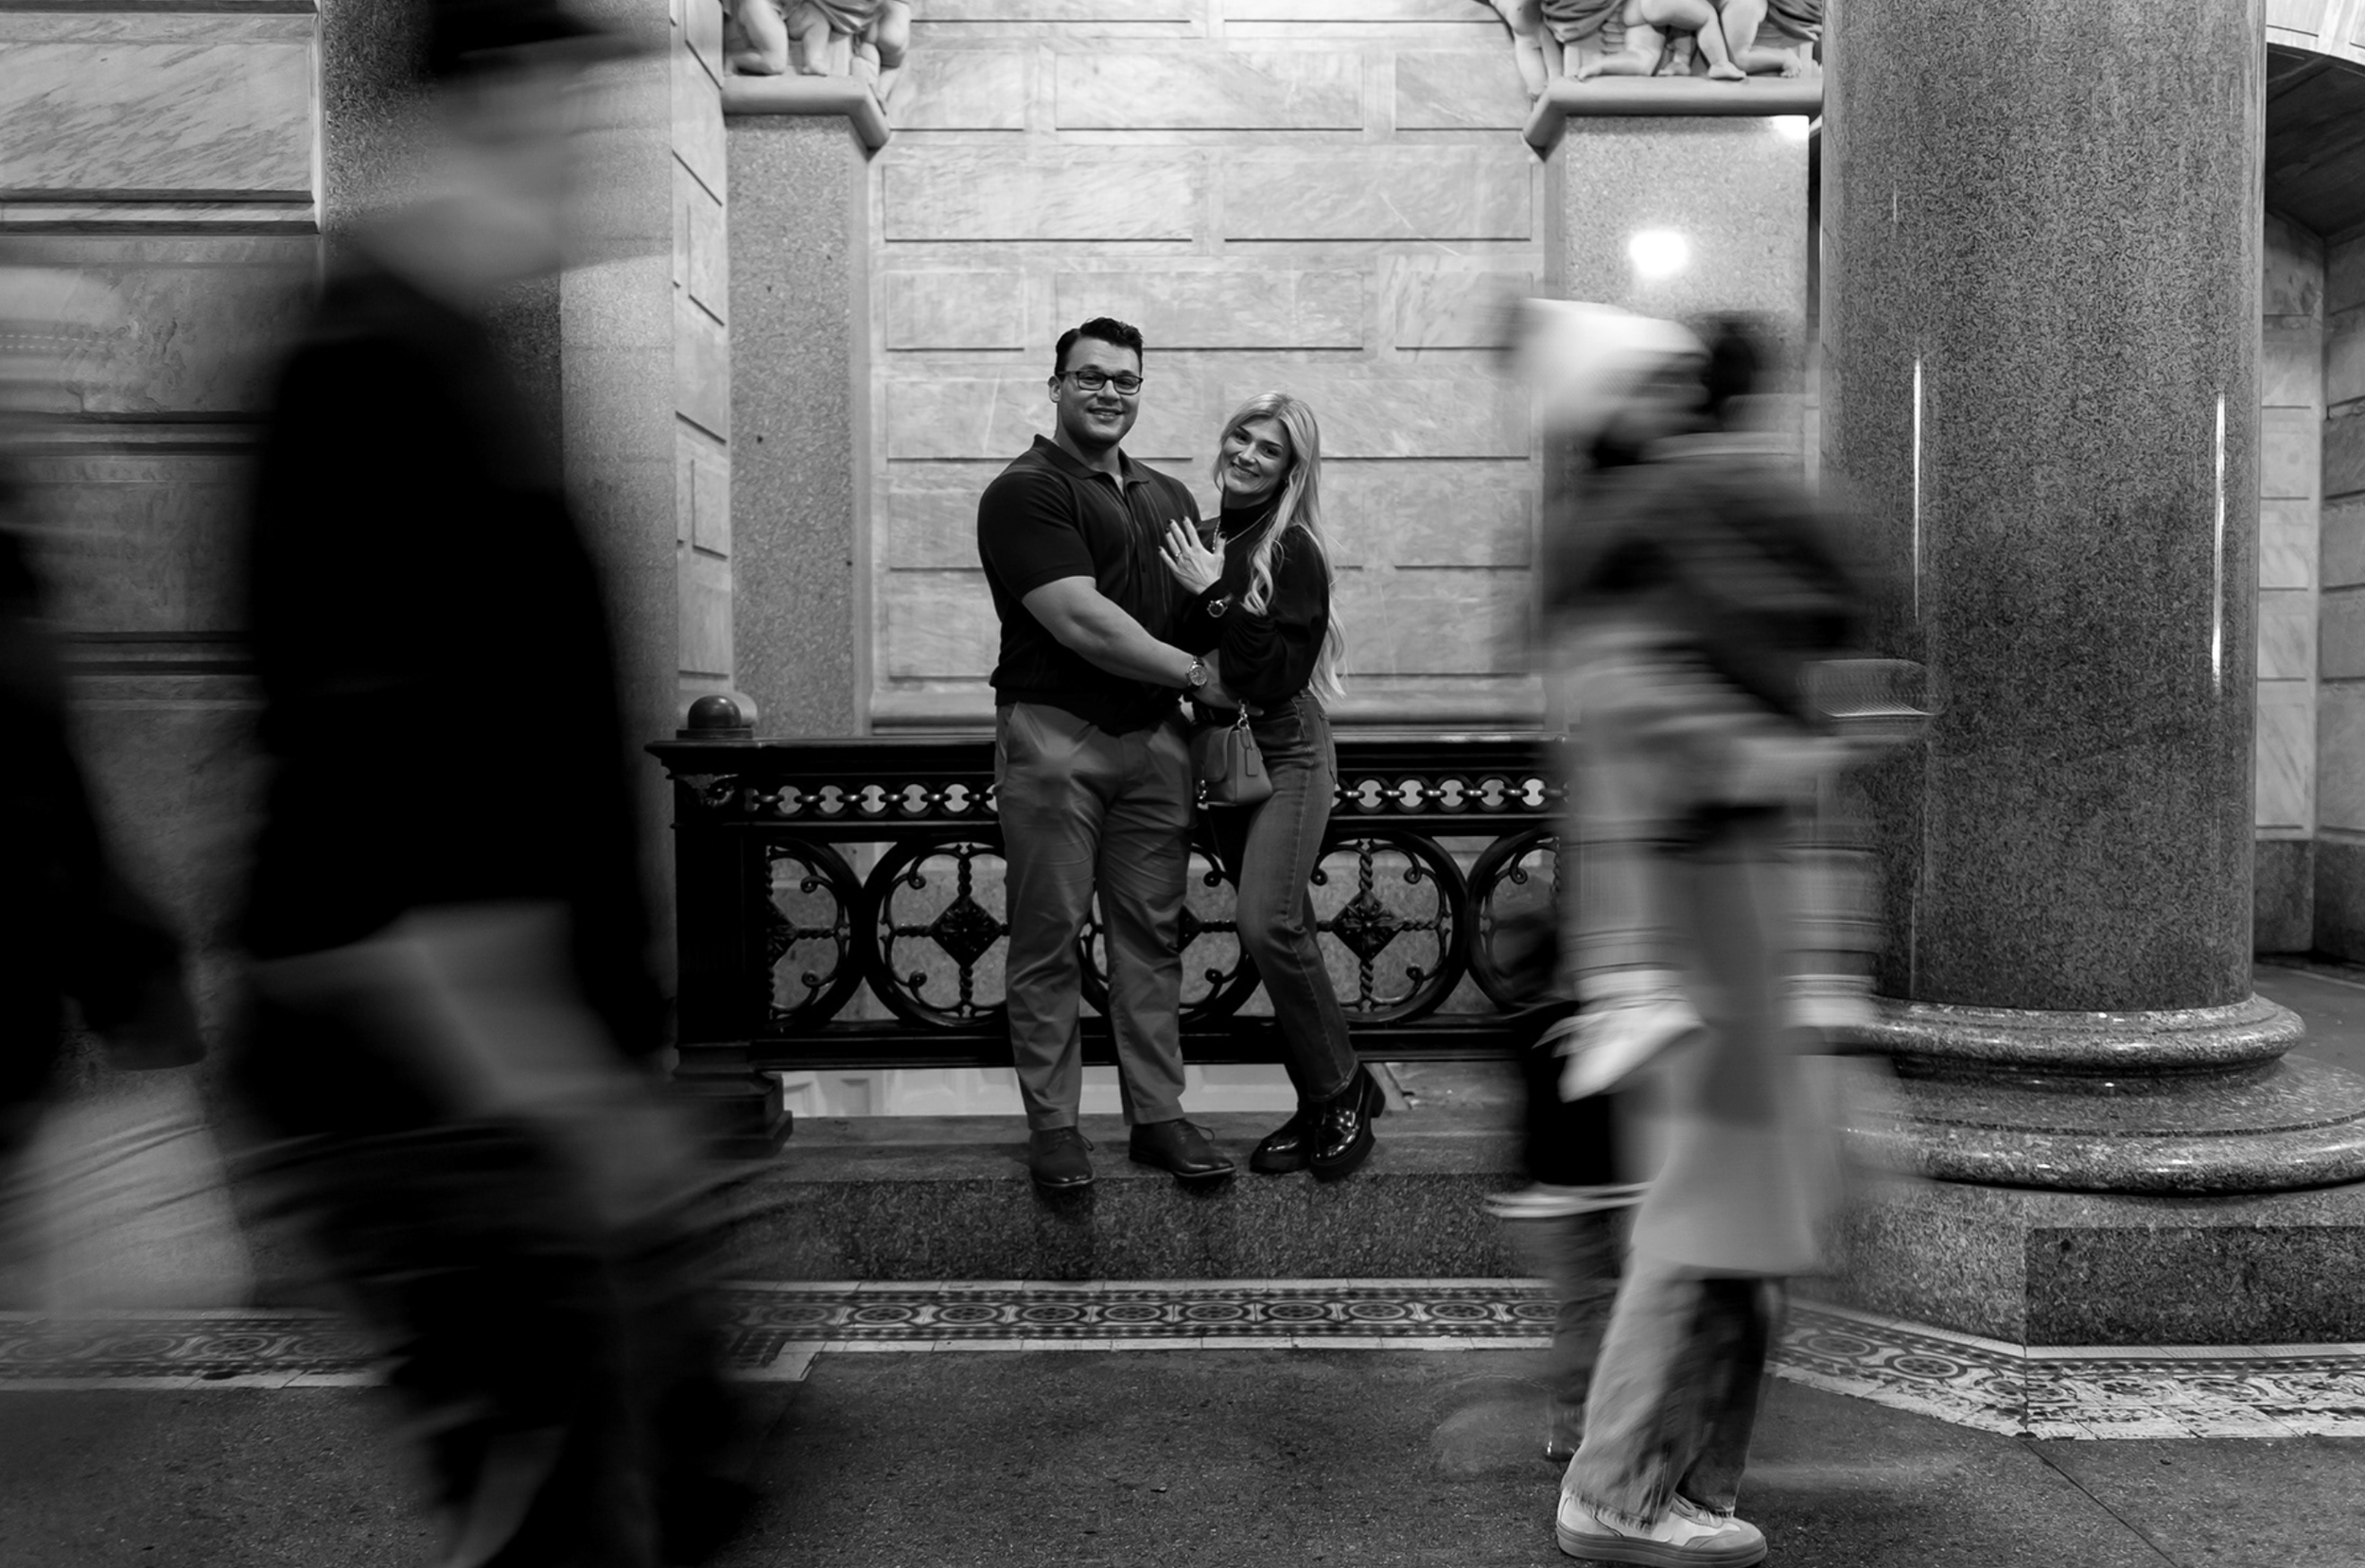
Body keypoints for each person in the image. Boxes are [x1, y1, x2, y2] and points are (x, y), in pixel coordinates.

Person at [230, 9, 753, 1565]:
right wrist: (579, 1106)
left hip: (494, 1103)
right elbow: (372, 803)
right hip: (448, 1110)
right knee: (573, 1519)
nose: (626, 147)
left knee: (590, 1503)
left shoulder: (441, 360)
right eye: (602, 96)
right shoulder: (373, 373)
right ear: (509, 95)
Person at [1518, 303, 1876, 1567]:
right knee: (1709, 1237)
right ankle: (1620, 1486)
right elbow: (1674, 755)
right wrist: (1809, 740)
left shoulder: (1657, 565)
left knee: (1740, 1246)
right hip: (1705, 947)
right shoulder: (1639, 590)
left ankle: (1677, 1484)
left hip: (1732, 940)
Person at [977, 317, 1237, 1193]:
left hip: (1155, 745)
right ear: (1056, 387)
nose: (1109, 392)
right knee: (1049, 937)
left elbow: (1199, 608)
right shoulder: (1024, 492)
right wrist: (1196, 674)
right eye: (1090, 377)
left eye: (1126, 380)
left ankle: (1157, 1117)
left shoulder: (1167, 497)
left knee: (1150, 941)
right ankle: (1054, 1128)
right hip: (1054, 736)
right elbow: (1080, 619)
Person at [1156, 392, 1381, 1179]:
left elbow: (1267, 673)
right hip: (1225, 757)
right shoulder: (1206, 538)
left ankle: (1344, 1089)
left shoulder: (1296, 550)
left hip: (1288, 752)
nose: (1248, 454)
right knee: (1278, 930)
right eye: (1242, 437)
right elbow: (1180, 657)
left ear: (1294, 468)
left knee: (1268, 922)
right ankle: (1324, 1095)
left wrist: (1215, 593)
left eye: (1271, 448)